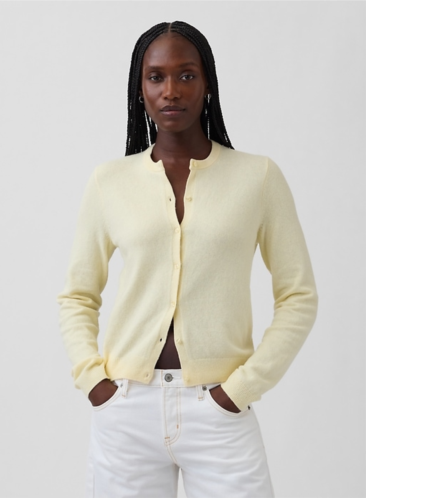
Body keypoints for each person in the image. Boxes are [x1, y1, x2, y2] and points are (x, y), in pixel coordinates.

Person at [57, 21, 318, 498]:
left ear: (207, 83)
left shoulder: (257, 177)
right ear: (140, 89)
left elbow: (298, 296)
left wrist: (240, 390)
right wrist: (94, 382)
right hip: (126, 410)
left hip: (220, 411)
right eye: (156, 77)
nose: (171, 90)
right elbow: (77, 294)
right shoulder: (109, 182)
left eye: (186, 75)